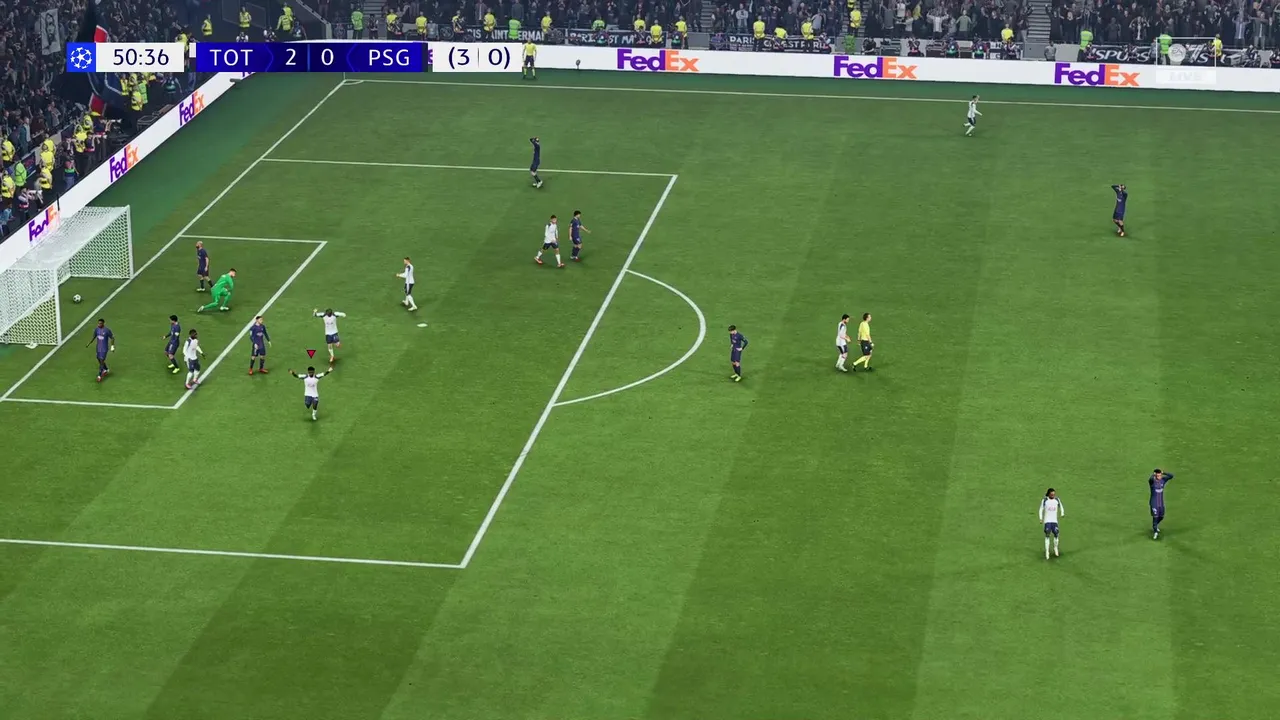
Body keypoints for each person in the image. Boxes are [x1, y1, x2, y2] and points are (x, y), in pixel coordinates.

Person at [1039, 488, 1064, 559]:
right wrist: (1041, 518)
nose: (1053, 495)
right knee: (1047, 535)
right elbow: (1041, 509)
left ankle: (1055, 548)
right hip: (1047, 521)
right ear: (1049, 494)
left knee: (1056, 534)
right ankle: (1047, 552)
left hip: (1054, 521)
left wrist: (1062, 513)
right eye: (1052, 494)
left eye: (1054, 494)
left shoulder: (1057, 500)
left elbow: (1061, 506)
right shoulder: (1045, 500)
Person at [1149, 469, 1174, 539]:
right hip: (1154, 503)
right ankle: (1155, 532)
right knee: (1155, 517)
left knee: (1161, 517)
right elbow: (1150, 479)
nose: (1159, 476)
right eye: (1158, 475)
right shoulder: (1152, 482)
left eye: (1160, 475)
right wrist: (1153, 474)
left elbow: (1171, 476)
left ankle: (1155, 525)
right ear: (1156, 476)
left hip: (1161, 503)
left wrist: (1163, 472)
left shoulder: (1163, 480)